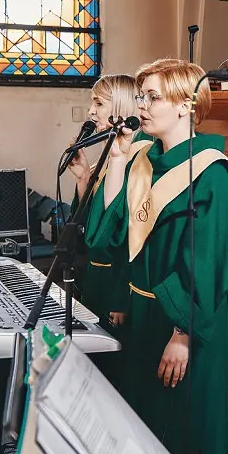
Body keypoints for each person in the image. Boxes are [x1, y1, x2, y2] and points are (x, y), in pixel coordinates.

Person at [89, 58, 228, 454]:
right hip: (142, 317)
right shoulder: (142, 161)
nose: (142, 105)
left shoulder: (210, 174)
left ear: (186, 106)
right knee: (145, 436)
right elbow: (107, 236)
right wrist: (116, 159)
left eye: (152, 96)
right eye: (141, 96)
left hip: (183, 325)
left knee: (187, 440)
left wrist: (182, 333)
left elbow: (211, 262)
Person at [65, 73, 144, 384]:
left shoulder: (137, 157)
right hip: (96, 276)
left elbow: (130, 234)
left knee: (113, 374)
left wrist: (121, 299)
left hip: (117, 281)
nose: (91, 111)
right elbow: (93, 224)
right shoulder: (109, 159)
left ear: (121, 107)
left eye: (98, 103)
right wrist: (84, 178)